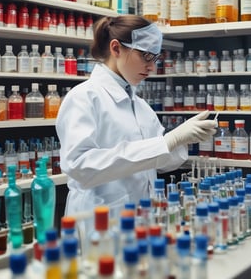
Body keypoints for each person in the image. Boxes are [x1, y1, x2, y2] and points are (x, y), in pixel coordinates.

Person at [55, 15, 216, 223]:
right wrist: (167, 141)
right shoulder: (83, 98)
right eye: (146, 56)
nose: (152, 67)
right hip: (99, 221)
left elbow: (159, 162)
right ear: (116, 49)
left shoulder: (141, 106)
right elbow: (81, 167)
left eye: (155, 59)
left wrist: (183, 139)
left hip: (142, 219)